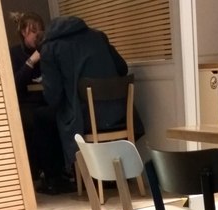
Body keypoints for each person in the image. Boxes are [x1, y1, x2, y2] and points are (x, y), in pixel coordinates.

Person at [40, 15, 145, 174]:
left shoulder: (50, 48)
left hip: (83, 120)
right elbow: (122, 68)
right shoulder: (98, 36)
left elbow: (53, 97)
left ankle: (65, 176)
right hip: (119, 115)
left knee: (42, 118)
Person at [9, 12, 74, 195]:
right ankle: (49, 175)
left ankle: (61, 172)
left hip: (47, 100)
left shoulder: (48, 50)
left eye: (40, 31)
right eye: (33, 31)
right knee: (36, 122)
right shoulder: (15, 53)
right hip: (27, 103)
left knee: (59, 117)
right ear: (23, 32)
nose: (37, 35)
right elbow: (15, 84)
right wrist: (32, 60)